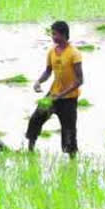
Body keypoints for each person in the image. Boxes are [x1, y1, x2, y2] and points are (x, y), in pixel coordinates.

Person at [26, 21, 84, 156]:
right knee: (36, 119)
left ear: (63, 34)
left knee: (69, 132)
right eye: (52, 33)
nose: (53, 37)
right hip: (53, 95)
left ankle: (72, 159)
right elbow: (48, 71)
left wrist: (62, 95)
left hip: (69, 99)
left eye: (55, 34)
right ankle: (30, 149)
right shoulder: (52, 51)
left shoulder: (74, 54)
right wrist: (38, 81)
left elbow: (80, 80)